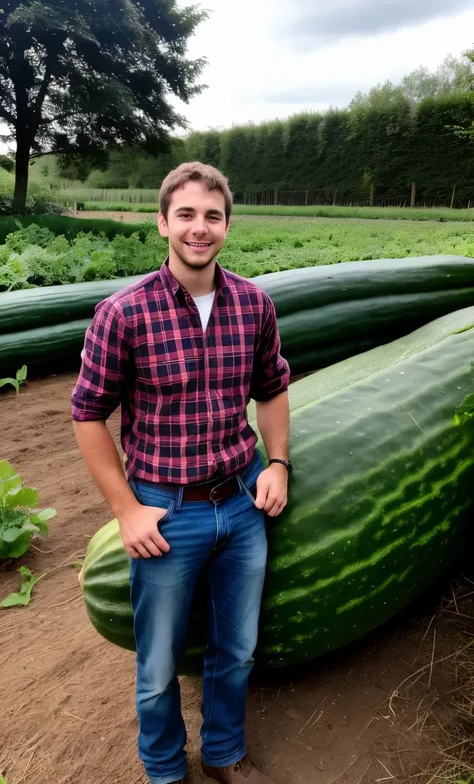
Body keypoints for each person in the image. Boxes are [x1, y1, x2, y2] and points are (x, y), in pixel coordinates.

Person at [71, 162, 292, 784]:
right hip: (167, 511)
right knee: (159, 661)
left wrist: (276, 462)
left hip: (243, 502)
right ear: (163, 221)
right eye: (187, 215)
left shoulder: (254, 303)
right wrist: (126, 509)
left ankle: (224, 754)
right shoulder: (123, 312)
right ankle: (166, 769)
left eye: (213, 216)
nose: (200, 229)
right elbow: (87, 414)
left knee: (237, 649)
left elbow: (273, 388)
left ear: (227, 225)